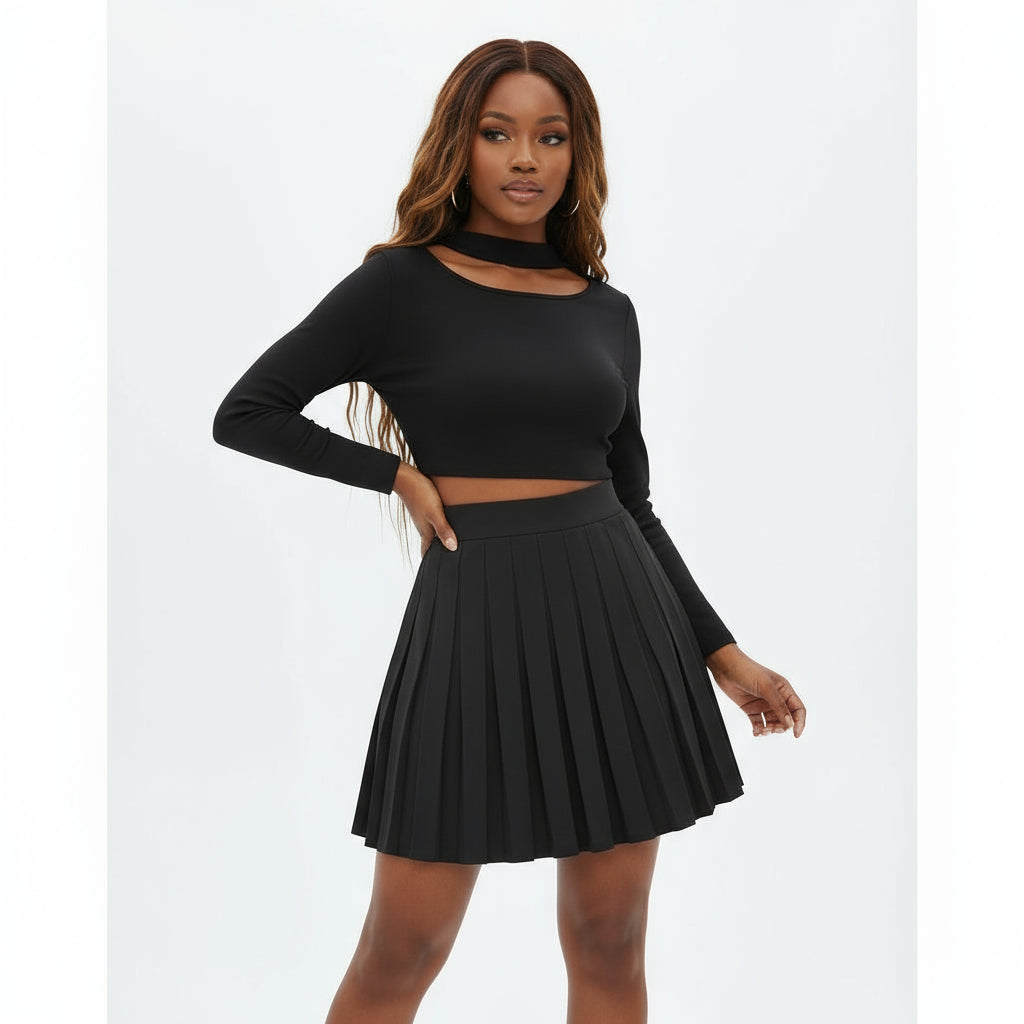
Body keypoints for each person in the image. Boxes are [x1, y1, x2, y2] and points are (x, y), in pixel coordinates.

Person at [212, 37, 806, 1024]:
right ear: (462, 143)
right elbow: (248, 411)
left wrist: (722, 652)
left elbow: (633, 504)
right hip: (473, 625)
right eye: (498, 134)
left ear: (578, 154)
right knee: (402, 947)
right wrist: (395, 474)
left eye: (550, 136)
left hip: (617, 624)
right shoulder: (399, 286)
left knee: (610, 940)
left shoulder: (607, 311)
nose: (525, 158)